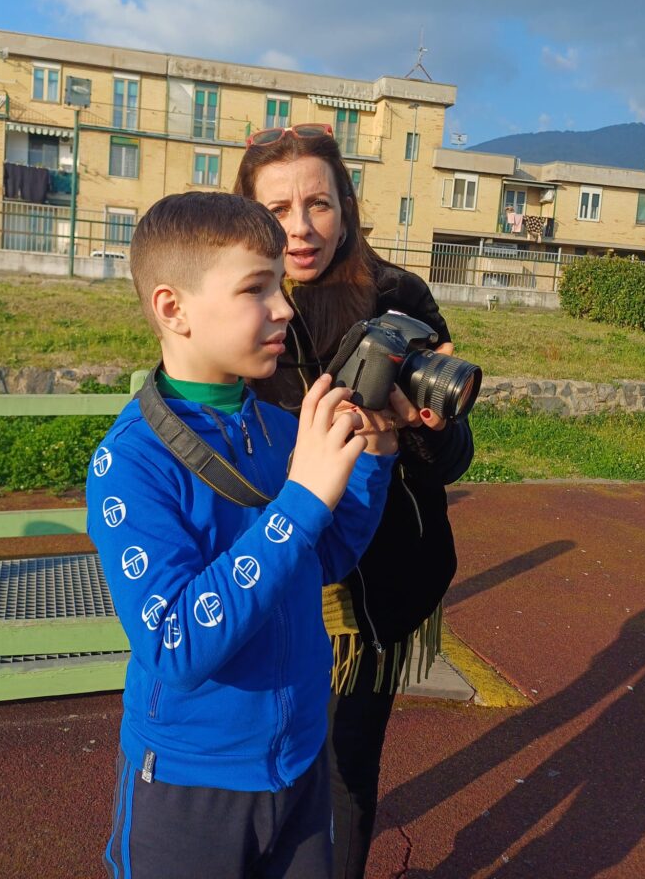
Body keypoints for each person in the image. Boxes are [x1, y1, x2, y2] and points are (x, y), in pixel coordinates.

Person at [86, 191, 400, 879]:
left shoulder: (281, 429)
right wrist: (301, 500)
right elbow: (174, 643)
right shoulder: (130, 465)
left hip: (299, 759)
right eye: (256, 288)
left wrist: (372, 458)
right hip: (190, 782)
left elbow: (327, 558)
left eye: (280, 284)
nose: (284, 307)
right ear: (174, 309)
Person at [234, 126, 475, 879]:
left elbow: (456, 455)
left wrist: (417, 432)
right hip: (271, 571)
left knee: (343, 766)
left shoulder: (398, 297)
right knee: (257, 757)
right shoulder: (232, 300)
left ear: (348, 206)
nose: (300, 228)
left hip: (374, 589)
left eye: (319, 204)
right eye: (276, 208)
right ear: (247, 215)